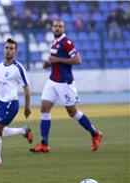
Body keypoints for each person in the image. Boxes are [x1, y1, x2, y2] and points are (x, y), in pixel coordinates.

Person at [30, 19, 103, 153]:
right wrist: (49, 64)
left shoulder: (67, 43)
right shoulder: (54, 42)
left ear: (64, 29)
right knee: (44, 109)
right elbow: (54, 60)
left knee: (72, 112)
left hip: (65, 83)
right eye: (55, 26)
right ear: (52, 28)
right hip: (52, 81)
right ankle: (44, 144)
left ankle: (95, 133)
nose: (57, 28)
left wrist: (57, 60)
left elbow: (78, 60)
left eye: (60, 26)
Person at [0, 38, 32, 167]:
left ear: (15, 52)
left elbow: (26, 87)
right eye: (7, 48)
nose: (8, 51)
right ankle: (24, 131)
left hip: (11, 103)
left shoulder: (18, 68)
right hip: (0, 103)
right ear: (3, 49)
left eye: (11, 48)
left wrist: (27, 107)